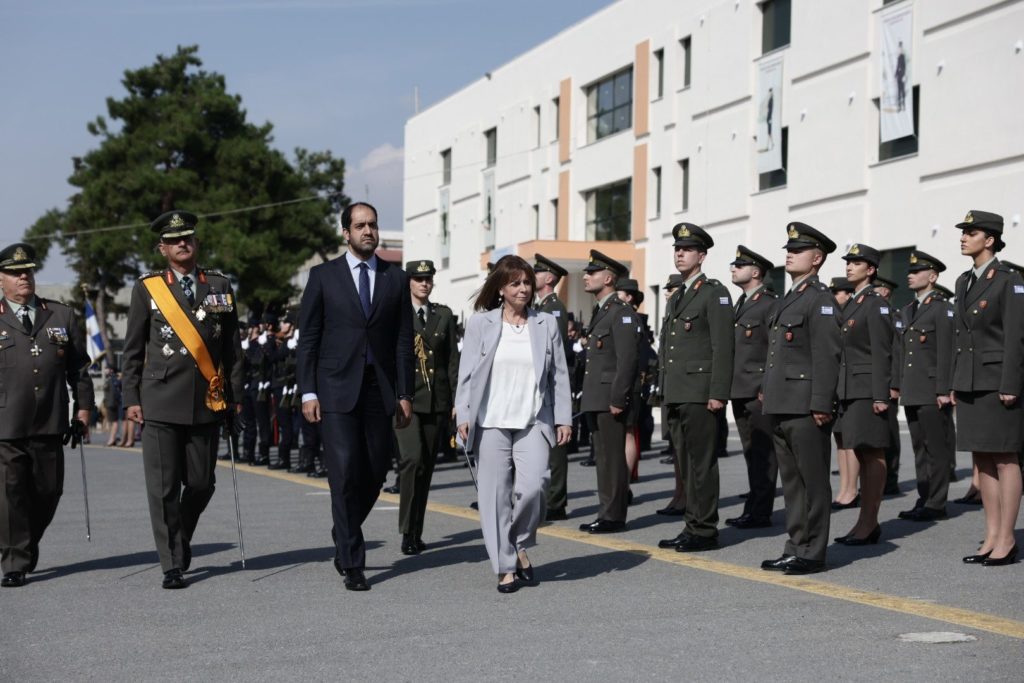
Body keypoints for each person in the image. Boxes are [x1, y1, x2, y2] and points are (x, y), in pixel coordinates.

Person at [121, 211, 244, 589]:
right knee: (162, 488)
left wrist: (234, 398)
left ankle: (182, 535)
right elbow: (132, 350)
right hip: (160, 399)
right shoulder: (148, 288)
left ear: (195, 242)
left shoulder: (219, 285)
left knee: (202, 482)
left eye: (187, 237)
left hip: (207, 401)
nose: (182, 244)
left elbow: (231, 350)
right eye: (174, 240)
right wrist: (131, 398)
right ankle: (172, 563)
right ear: (163, 248)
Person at [297, 201, 414, 592]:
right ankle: (351, 561)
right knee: (344, 473)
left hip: (379, 390)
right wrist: (308, 391)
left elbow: (402, 342)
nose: (368, 231)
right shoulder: (323, 277)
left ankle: (343, 526)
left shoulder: (395, 279)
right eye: (360, 225)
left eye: (373, 225)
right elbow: (309, 338)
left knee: (377, 471)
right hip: (334, 388)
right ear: (345, 233)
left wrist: (405, 392)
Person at [454, 255, 571, 593]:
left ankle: (517, 542)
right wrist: (464, 414)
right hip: (491, 422)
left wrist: (563, 416)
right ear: (501, 289)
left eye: (527, 282)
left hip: (533, 420)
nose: (523, 289)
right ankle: (506, 566)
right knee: (495, 497)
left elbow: (559, 375)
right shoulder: (481, 324)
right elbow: (467, 377)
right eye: (515, 283)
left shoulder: (545, 323)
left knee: (535, 487)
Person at [0, 243, 94, 588]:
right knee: (10, 493)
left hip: (50, 420)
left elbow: (79, 368)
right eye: (14, 272)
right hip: (6, 423)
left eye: (27, 271)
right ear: (1, 279)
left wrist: (83, 410)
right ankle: (14, 560)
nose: (23, 277)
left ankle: (24, 541)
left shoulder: (60, 315)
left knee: (48, 490)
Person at [760, 222, 840, 575]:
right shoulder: (788, 298)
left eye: (799, 250)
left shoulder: (820, 299)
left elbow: (827, 354)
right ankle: (795, 544)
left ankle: (812, 551)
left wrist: (822, 401)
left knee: (812, 480)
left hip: (806, 404)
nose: (790, 254)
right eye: (788, 250)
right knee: (791, 483)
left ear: (817, 258)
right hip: (782, 401)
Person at [951, 210, 1023, 566]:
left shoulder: (1009, 279)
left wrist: (1011, 383)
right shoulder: (964, 281)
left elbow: (1016, 336)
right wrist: (954, 381)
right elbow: (959, 338)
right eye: (963, 232)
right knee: (982, 458)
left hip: (997, 382)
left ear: (990, 239)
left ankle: (1007, 538)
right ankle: (992, 534)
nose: (964, 237)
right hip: (970, 381)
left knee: (1006, 458)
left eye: (971, 232)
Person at [657, 223, 734, 553]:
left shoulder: (713, 292)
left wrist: (717, 393)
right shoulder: (680, 296)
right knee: (685, 464)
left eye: (686, 249)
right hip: (677, 393)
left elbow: (723, 346)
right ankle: (692, 524)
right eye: (677, 249)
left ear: (702, 255)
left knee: (702, 463)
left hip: (700, 393)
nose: (679, 254)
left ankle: (705, 529)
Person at [396, 260, 459, 555]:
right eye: (418, 278)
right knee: (412, 460)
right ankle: (406, 529)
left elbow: (450, 362)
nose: (424, 283)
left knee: (427, 468)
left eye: (428, 279)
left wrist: (457, 400)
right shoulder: (396, 314)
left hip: (436, 401)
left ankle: (416, 531)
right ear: (409, 281)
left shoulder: (443, 315)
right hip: (406, 400)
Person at [833, 244, 893, 546]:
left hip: (867, 389)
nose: (849, 266)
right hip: (849, 388)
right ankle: (864, 522)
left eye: (856, 263)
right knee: (860, 452)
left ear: (870, 270)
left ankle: (869, 523)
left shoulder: (875, 303)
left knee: (872, 454)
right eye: (848, 262)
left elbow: (882, 350)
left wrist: (881, 395)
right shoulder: (854, 302)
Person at [577, 250, 639, 534]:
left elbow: (627, 360)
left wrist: (618, 397)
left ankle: (614, 516)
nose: (586, 276)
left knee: (612, 459)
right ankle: (606, 512)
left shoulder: (621, 313)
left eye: (592, 272)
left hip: (609, 398)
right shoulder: (602, 311)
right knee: (602, 458)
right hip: (595, 397)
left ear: (609, 278)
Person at [892, 251, 956, 522]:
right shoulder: (907, 310)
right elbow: (900, 352)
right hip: (913, 388)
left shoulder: (942, 308)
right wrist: (896, 385)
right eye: (910, 271)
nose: (910, 275)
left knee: (936, 448)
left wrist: (944, 389)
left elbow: (948, 350)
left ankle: (937, 502)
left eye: (917, 271)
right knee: (920, 447)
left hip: (932, 389)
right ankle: (924, 497)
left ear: (932, 276)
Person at [726, 246, 779, 530]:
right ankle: (754, 506)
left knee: (763, 453)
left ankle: (761, 511)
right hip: (740, 388)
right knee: (751, 452)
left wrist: (766, 387)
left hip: (757, 388)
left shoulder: (768, 303)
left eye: (739, 265)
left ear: (755, 272)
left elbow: (774, 348)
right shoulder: (742, 302)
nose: (733, 268)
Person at [534, 253, 571, 521]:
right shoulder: (542, 307)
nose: (531, 277)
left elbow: (554, 351)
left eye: (537, 273)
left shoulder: (554, 308)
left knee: (556, 447)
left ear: (548, 278)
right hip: (541, 385)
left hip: (551, 384)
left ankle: (556, 501)